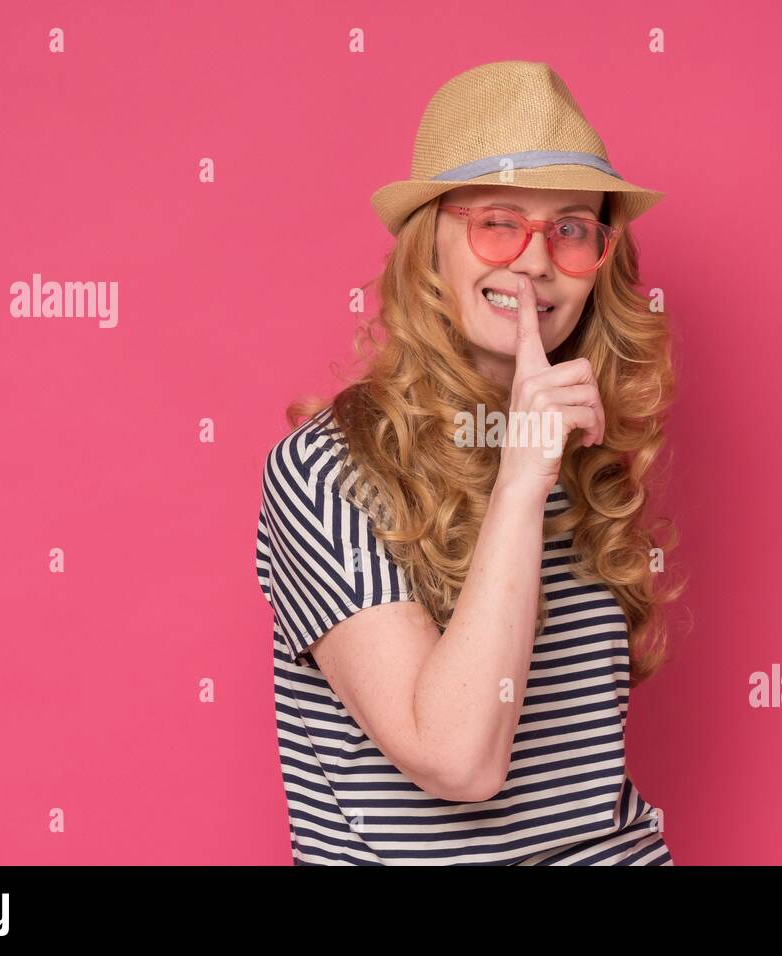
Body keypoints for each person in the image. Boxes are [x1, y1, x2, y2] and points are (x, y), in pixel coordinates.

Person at [256, 60, 682, 865]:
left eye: (570, 228)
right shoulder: (326, 468)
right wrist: (521, 482)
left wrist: (537, 463)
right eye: (497, 222)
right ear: (429, 252)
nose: (532, 261)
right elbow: (457, 759)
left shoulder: (579, 450)